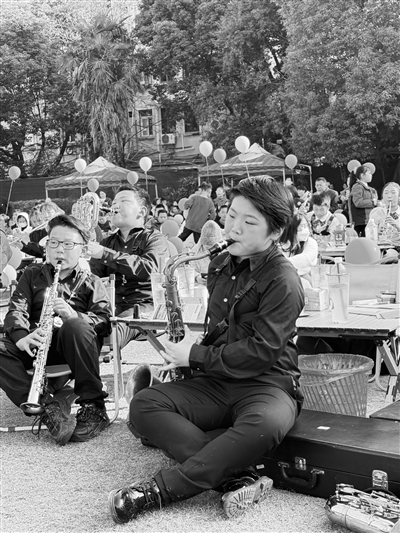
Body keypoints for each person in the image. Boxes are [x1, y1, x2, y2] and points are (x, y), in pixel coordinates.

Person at [109, 177, 305, 523]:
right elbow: (222, 328)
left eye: (249, 222)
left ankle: (159, 490)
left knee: (267, 424)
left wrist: (194, 356)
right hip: (218, 380)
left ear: (275, 232)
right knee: (143, 404)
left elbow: (262, 352)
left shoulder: (284, 280)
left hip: (268, 385)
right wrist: (190, 351)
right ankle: (235, 477)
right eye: (232, 216)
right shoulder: (220, 264)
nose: (234, 228)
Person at [0, 214, 112, 445]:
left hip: (72, 348)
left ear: (82, 249)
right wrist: (22, 337)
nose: (60, 249)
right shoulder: (31, 274)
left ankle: (94, 407)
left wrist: (75, 316)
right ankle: (47, 407)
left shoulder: (92, 281)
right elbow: (16, 310)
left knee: (76, 325)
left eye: (68, 244)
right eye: (54, 242)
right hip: (35, 344)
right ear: (46, 246)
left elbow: (104, 321)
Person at [88, 185, 169, 348]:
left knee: (111, 334)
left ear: (142, 211)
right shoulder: (106, 242)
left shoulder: (155, 238)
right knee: (78, 328)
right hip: (111, 307)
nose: (115, 206)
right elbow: (94, 280)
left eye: (123, 201)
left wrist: (105, 254)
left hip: (145, 307)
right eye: (114, 202)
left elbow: (148, 269)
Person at [280, 213, 318, 286]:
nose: (305, 229)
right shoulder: (282, 244)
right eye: (302, 226)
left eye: (306, 226)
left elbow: (306, 260)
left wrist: (282, 263)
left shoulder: (311, 242)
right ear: (292, 228)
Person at [349, 165, 378, 236]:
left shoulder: (370, 189)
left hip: (369, 220)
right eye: (369, 173)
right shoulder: (358, 187)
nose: (371, 175)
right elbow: (358, 202)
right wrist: (373, 202)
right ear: (362, 175)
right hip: (361, 222)